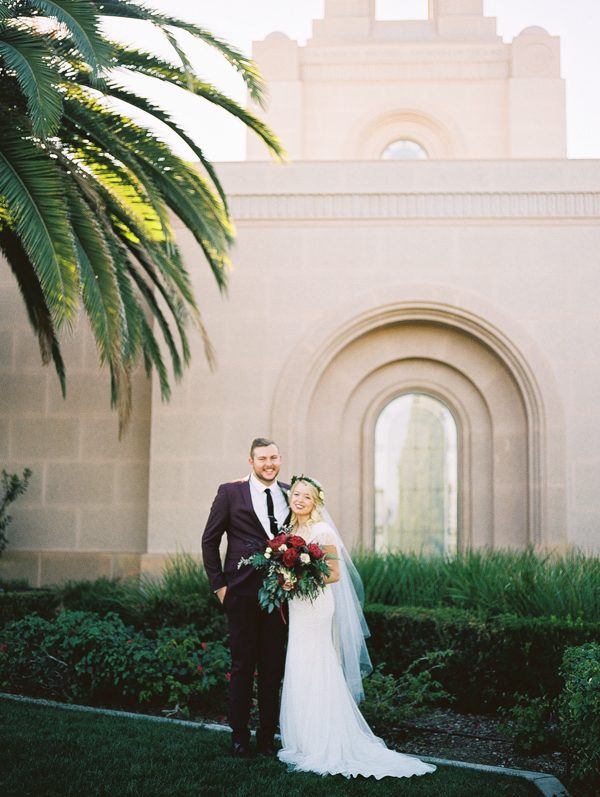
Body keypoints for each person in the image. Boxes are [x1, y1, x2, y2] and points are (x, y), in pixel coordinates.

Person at [277, 475, 437, 780]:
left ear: (315, 502)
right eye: (295, 494)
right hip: (298, 605)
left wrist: (298, 577)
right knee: (299, 663)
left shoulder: (322, 530)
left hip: (316, 606)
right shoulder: (292, 530)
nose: (298, 500)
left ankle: (325, 740)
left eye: (306, 497)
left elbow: (334, 573)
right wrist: (286, 578)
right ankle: (304, 738)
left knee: (316, 663)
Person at [202, 438, 289, 757]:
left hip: (279, 597)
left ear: (280, 460)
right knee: (241, 666)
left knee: (272, 668)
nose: (269, 463)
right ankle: (239, 735)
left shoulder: (289, 492)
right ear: (251, 462)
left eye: (274, 457)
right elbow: (209, 541)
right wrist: (219, 587)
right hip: (239, 594)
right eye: (262, 458)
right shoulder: (230, 492)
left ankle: (267, 737)